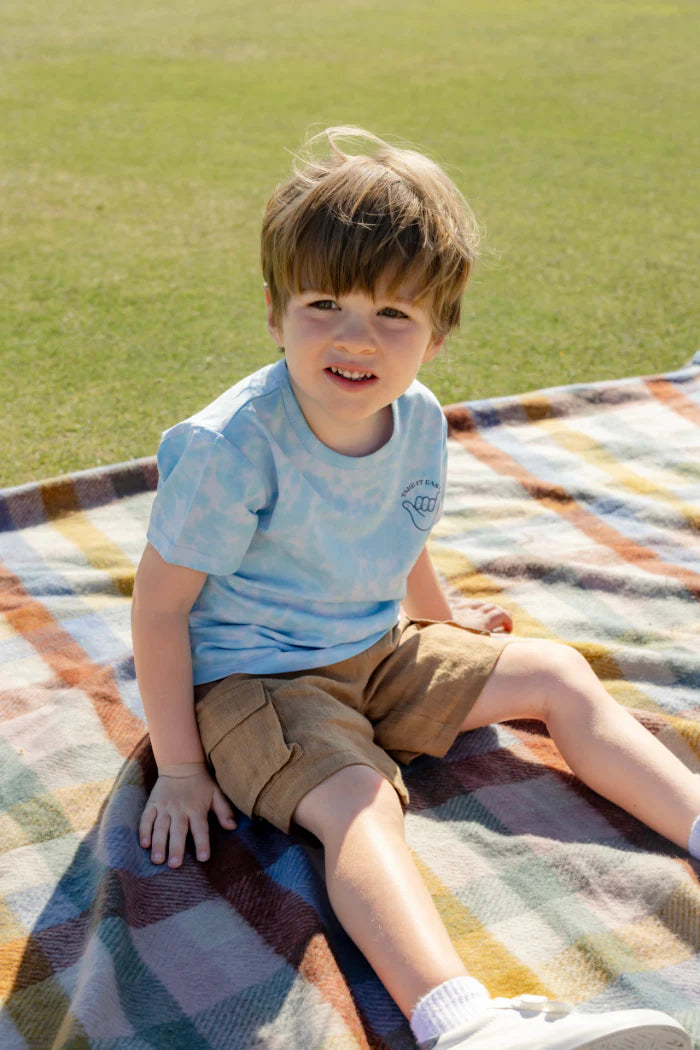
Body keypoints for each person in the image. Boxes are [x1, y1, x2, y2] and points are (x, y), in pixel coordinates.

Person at [132, 127, 698, 1050]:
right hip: (253, 688)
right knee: (359, 800)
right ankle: (462, 1022)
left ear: (439, 332)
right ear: (275, 314)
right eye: (325, 304)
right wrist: (183, 768)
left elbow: (405, 527)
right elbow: (158, 609)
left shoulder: (420, 418)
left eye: (394, 315)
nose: (357, 338)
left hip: (377, 650)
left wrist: (443, 629)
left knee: (555, 671)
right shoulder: (230, 447)